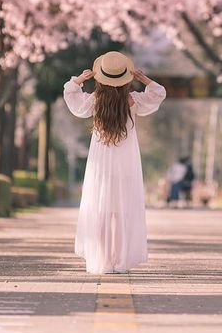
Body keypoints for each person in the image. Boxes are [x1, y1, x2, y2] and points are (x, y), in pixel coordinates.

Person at [63, 51, 166, 274]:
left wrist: (81, 79)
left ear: (101, 77)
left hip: (100, 164)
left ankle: (101, 261)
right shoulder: (133, 101)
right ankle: (120, 261)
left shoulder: (94, 102)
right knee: (121, 213)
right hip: (126, 163)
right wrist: (143, 78)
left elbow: (70, 94)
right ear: (125, 78)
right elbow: (159, 93)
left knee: (101, 211)